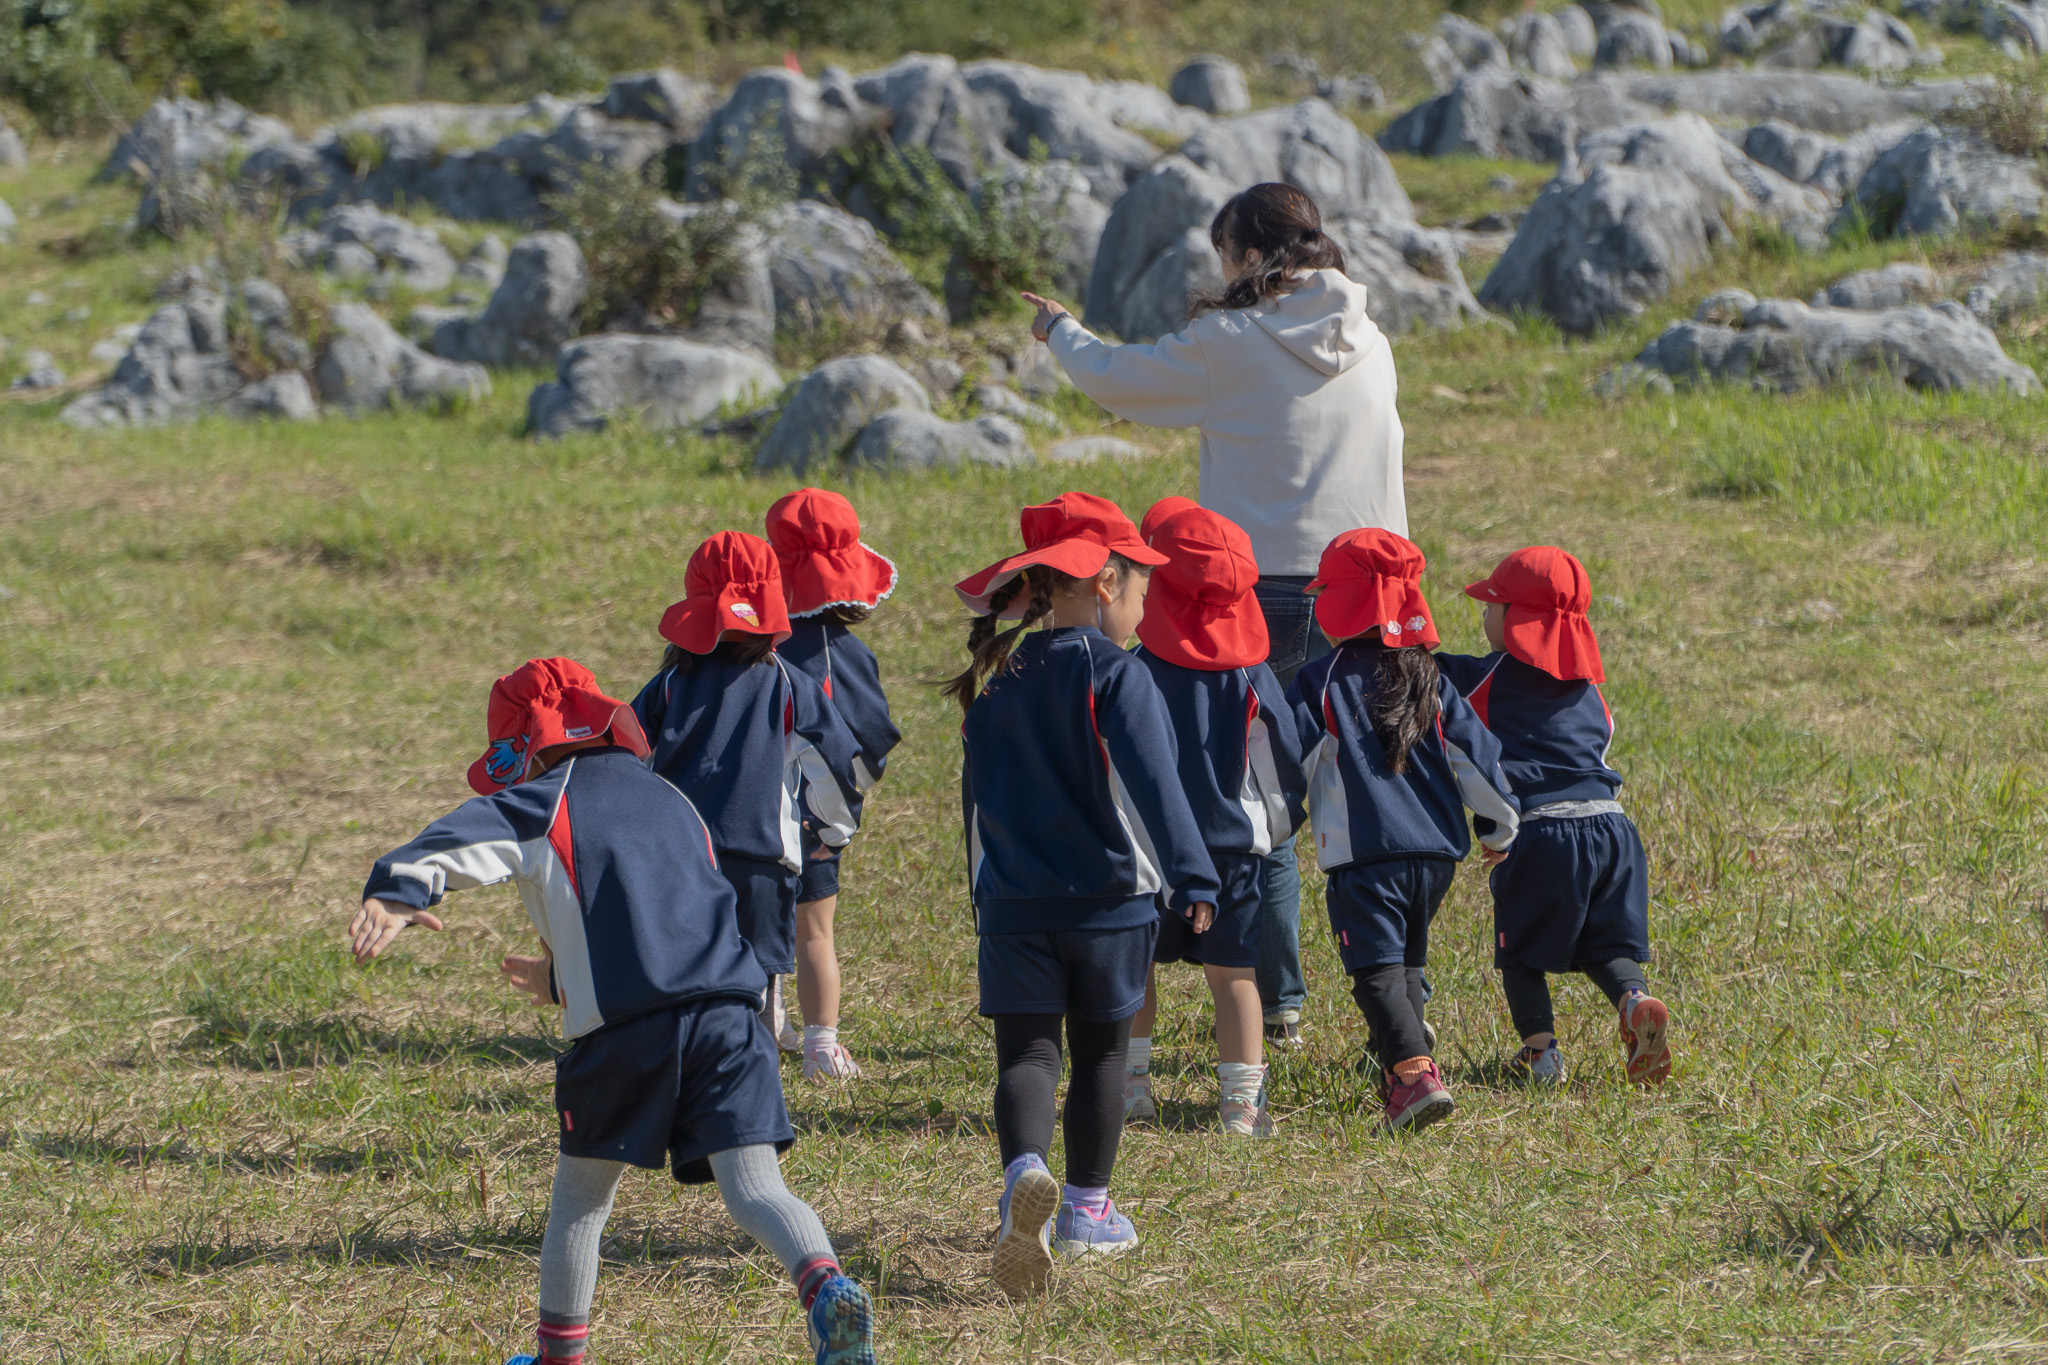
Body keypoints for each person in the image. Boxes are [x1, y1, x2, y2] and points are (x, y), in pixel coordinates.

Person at [345, 658, 878, 1365]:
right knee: (755, 1187)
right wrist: (562, 976)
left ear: (528, 746)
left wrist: (396, 890)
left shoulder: (544, 800)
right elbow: (662, 918)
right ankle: (826, 1288)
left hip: (629, 1031)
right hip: (731, 1012)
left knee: (581, 1203)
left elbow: (462, 840)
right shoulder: (671, 798)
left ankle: (561, 1356)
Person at [1024, 180, 1408, 1048]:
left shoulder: (1231, 341)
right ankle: (1399, 1013)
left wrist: (1059, 330)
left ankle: (1277, 1004)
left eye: (1223, 253)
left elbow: (1120, 382)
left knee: (1254, 800)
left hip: (1256, 594)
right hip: (1372, 592)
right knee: (1372, 796)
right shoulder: (1373, 338)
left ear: (1248, 255)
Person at [945, 492, 1219, 1296]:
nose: (1145, 603)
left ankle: (1023, 1172)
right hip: (1109, 904)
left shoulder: (996, 676)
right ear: (1104, 584)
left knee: (1028, 1052)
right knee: (1100, 1049)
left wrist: (983, 898)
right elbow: (1155, 789)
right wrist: (1194, 874)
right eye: (1142, 586)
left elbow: (974, 806)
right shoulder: (1117, 674)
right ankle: (1086, 1211)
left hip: (1012, 905)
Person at [1288, 531, 1520, 1133]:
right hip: (1436, 856)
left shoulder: (1324, 679)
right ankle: (1399, 1080)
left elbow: (1291, 760)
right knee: (1408, 965)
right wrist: (1499, 828)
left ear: (1344, 605)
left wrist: (1272, 823)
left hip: (1365, 856)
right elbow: (1479, 758)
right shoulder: (1432, 676)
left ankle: (1415, 1074)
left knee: (1375, 970)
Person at [1437, 546, 1672, 1086]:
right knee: (1604, 943)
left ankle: (1540, 1054)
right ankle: (1634, 1000)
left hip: (1545, 832)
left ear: (1518, 621)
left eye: (1492, 605)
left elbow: (1428, 678)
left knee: (1520, 953)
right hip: (1614, 829)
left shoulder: (1486, 678)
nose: (1483, 614)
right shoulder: (1592, 692)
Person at [631, 531, 865, 1052]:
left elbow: (628, 762)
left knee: (685, 981)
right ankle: (750, 1096)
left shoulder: (668, 684)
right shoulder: (788, 683)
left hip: (679, 858)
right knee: (758, 986)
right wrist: (833, 832)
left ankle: (684, 1083)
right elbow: (837, 766)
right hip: (761, 862)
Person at [1123, 500, 1307, 1137]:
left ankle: (1131, 1088)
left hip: (1148, 849)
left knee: (1136, 969)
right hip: (1233, 851)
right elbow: (1281, 759)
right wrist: (1273, 828)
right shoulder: (1251, 672)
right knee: (1236, 978)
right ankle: (1239, 1107)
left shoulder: (1135, 671)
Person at [765, 488, 903, 1084]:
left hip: (746, 819)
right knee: (814, 931)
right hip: (815, 822)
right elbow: (871, 737)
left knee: (755, 927)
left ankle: (764, 1020)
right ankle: (822, 1045)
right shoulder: (845, 654)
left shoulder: (748, 646)